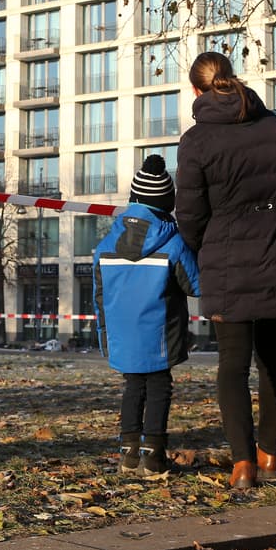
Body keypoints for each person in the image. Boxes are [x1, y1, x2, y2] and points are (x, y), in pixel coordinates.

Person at [174, 51, 276, 490]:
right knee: (273, 360)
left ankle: (243, 465)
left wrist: (207, 245)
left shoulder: (197, 140)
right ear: (232, 78)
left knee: (232, 366)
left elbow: (190, 213)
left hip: (226, 266)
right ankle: (271, 456)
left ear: (196, 90)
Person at [92, 154, 200, 476]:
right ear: (167, 203)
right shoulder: (174, 242)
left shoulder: (105, 245)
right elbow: (195, 285)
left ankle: (128, 454)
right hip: (159, 334)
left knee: (133, 387)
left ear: (133, 199)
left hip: (122, 333)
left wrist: (105, 333)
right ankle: (153, 456)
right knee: (158, 387)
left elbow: (100, 295)